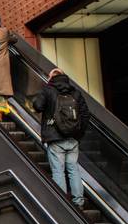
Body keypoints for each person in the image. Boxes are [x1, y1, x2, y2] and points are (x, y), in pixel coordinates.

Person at [30, 68, 90, 208]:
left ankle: (62, 204)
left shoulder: (48, 90)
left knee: (58, 171)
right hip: (73, 138)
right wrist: (78, 133)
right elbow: (85, 114)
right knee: (73, 169)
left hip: (55, 138)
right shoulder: (75, 92)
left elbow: (38, 106)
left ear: (51, 78)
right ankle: (78, 202)